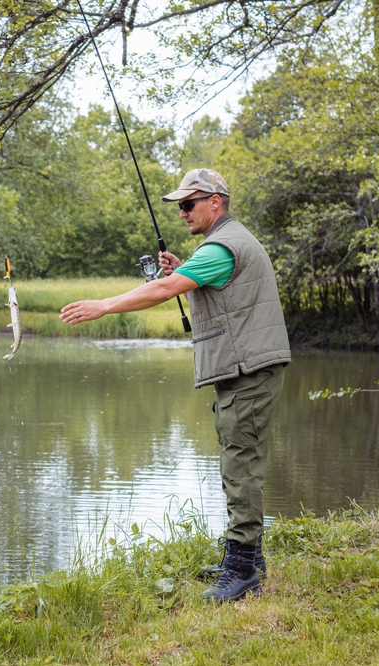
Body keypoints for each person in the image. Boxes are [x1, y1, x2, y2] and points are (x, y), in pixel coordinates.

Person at [60, 168, 290, 602]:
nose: (182, 212)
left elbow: (164, 290)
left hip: (249, 370)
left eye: (189, 204)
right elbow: (217, 288)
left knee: (240, 466)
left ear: (215, 202)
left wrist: (104, 305)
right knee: (237, 461)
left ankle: (242, 573)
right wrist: (185, 269)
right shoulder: (225, 244)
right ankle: (247, 558)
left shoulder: (223, 245)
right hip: (246, 368)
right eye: (180, 206)